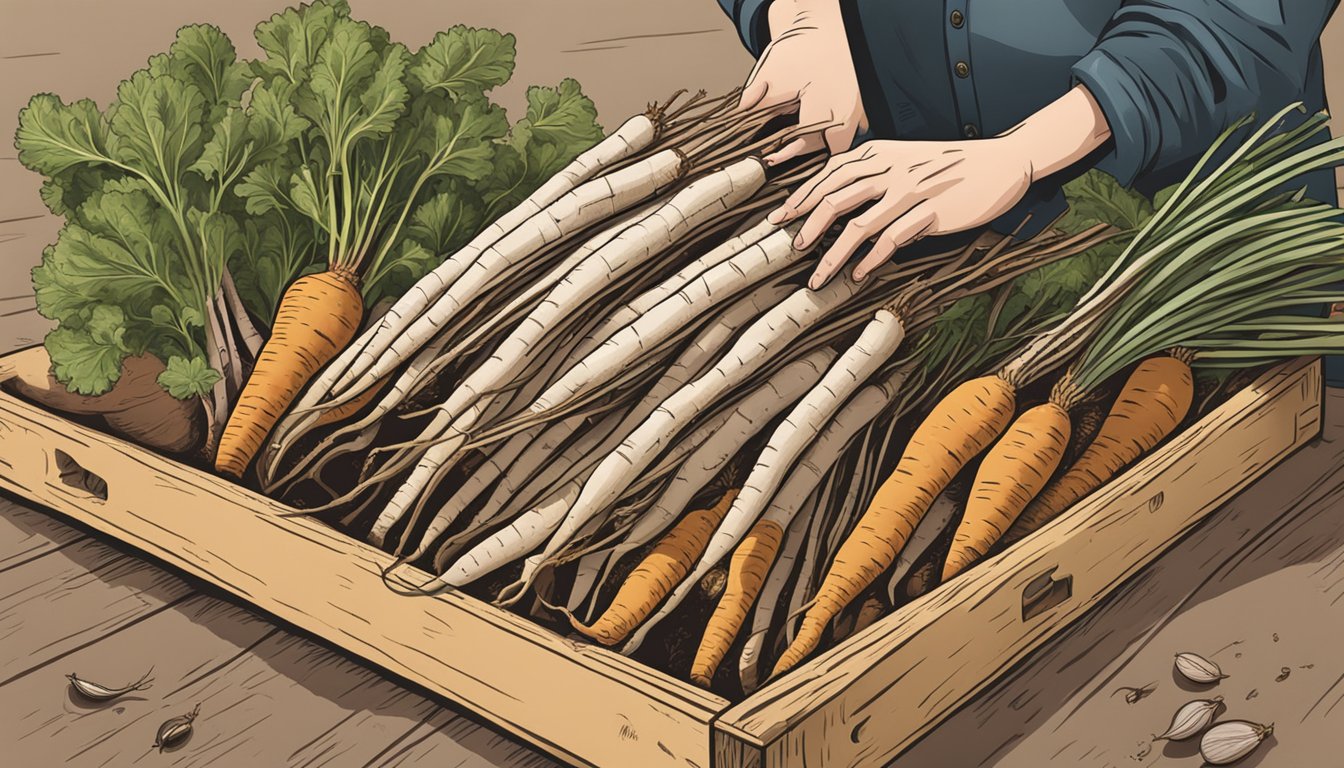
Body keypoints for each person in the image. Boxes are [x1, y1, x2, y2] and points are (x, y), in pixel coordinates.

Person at [718, 0, 1340, 377]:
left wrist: (1018, 155)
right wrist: (804, 15)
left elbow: (1226, 22)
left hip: (1189, 305)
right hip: (912, 283)